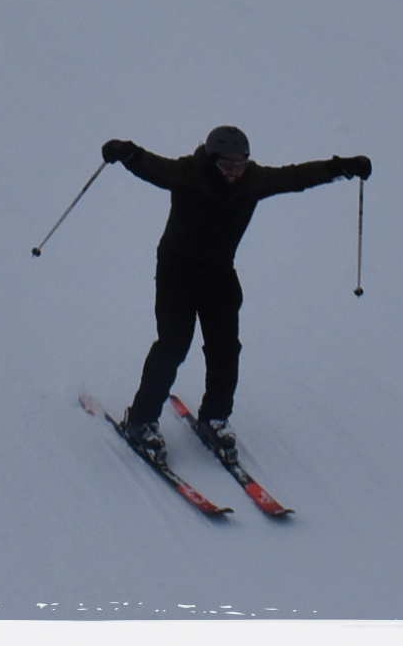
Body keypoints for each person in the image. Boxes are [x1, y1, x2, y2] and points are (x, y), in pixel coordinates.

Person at [100, 126, 371, 464]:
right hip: (177, 271)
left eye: (240, 165)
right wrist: (128, 153)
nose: (234, 172)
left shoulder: (253, 181)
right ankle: (141, 420)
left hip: (219, 274)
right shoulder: (189, 173)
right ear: (211, 160)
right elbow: (155, 168)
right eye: (227, 165)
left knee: (226, 348)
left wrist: (342, 167)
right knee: (173, 344)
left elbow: (297, 176)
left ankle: (215, 417)